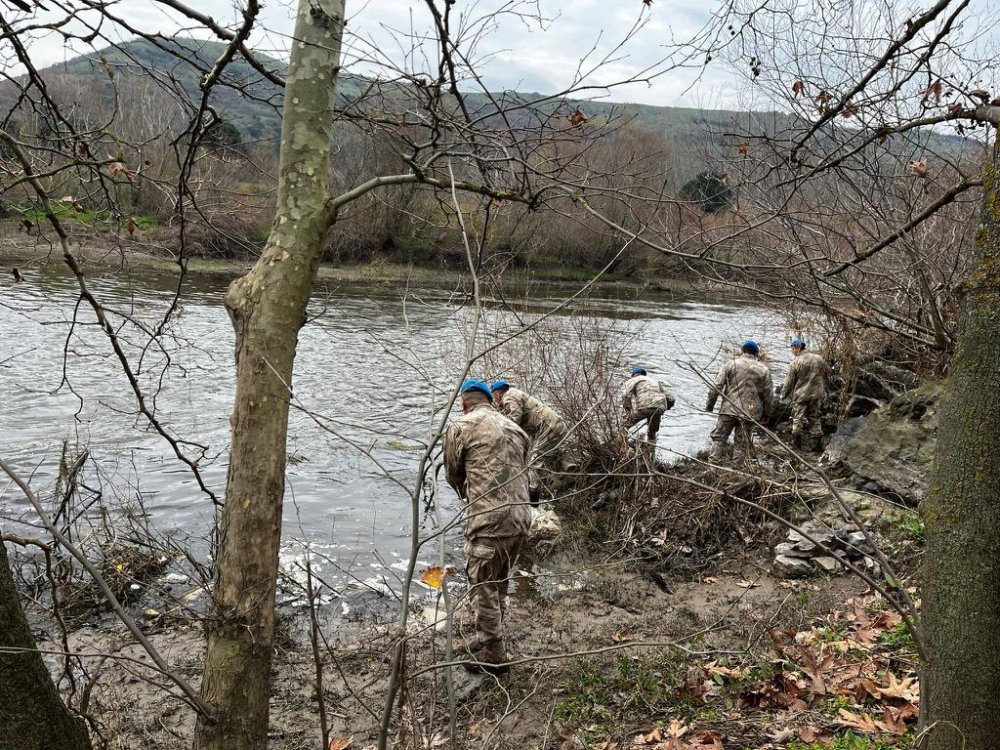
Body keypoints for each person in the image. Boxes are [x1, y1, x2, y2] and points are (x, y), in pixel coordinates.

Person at [444, 379, 531, 672]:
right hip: (522, 517)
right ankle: (490, 638)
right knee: (499, 580)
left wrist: (469, 496)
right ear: (491, 401)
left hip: (490, 520)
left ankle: (494, 655)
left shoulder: (461, 427)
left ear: (463, 403)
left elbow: (454, 475)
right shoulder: (516, 429)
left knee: (482, 585)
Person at [490, 380, 569, 504]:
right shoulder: (513, 395)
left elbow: (514, 418)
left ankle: (533, 497)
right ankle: (565, 474)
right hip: (553, 426)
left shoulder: (509, 396)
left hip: (549, 428)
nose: (494, 399)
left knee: (534, 461)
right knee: (536, 457)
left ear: (498, 393)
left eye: (494, 395)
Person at [705, 340, 773, 460]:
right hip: (750, 412)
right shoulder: (764, 370)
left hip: (728, 409)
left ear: (742, 351)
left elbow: (716, 387)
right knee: (741, 443)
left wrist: (710, 405)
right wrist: (767, 415)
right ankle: (737, 469)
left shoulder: (730, 364)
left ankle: (712, 466)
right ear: (757, 354)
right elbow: (769, 396)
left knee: (719, 439)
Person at [780, 338, 831, 451]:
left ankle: (796, 447)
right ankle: (816, 446)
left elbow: (789, 383)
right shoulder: (818, 358)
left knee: (798, 418)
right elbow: (827, 373)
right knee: (814, 417)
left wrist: (783, 395)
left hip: (801, 395)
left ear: (797, 348)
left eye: (793, 349)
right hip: (817, 394)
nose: (792, 351)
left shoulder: (795, 363)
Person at [622, 366, 676, 444]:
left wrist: (628, 412)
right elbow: (671, 398)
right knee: (652, 432)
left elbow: (626, 395)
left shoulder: (632, 380)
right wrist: (666, 408)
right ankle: (651, 446)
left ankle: (622, 443)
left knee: (624, 425)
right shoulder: (654, 381)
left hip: (644, 407)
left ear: (633, 375)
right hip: (659, 408)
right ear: (644, 375)